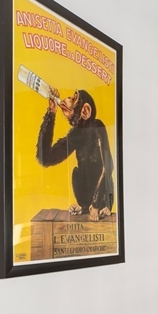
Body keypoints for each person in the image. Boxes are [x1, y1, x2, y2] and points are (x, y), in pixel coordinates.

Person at [35, 87, 114, 221]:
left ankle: (101, 206)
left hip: (103, 197)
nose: (69, 99)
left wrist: (95, 205)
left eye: (74, 98)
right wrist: (51, 113)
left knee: (103, 171)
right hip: (87, 199)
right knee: (76, 172)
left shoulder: (97, 127)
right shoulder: (76, 135)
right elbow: (45, 158)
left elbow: (108, 167)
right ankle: (84, 206)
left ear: (85, 111)